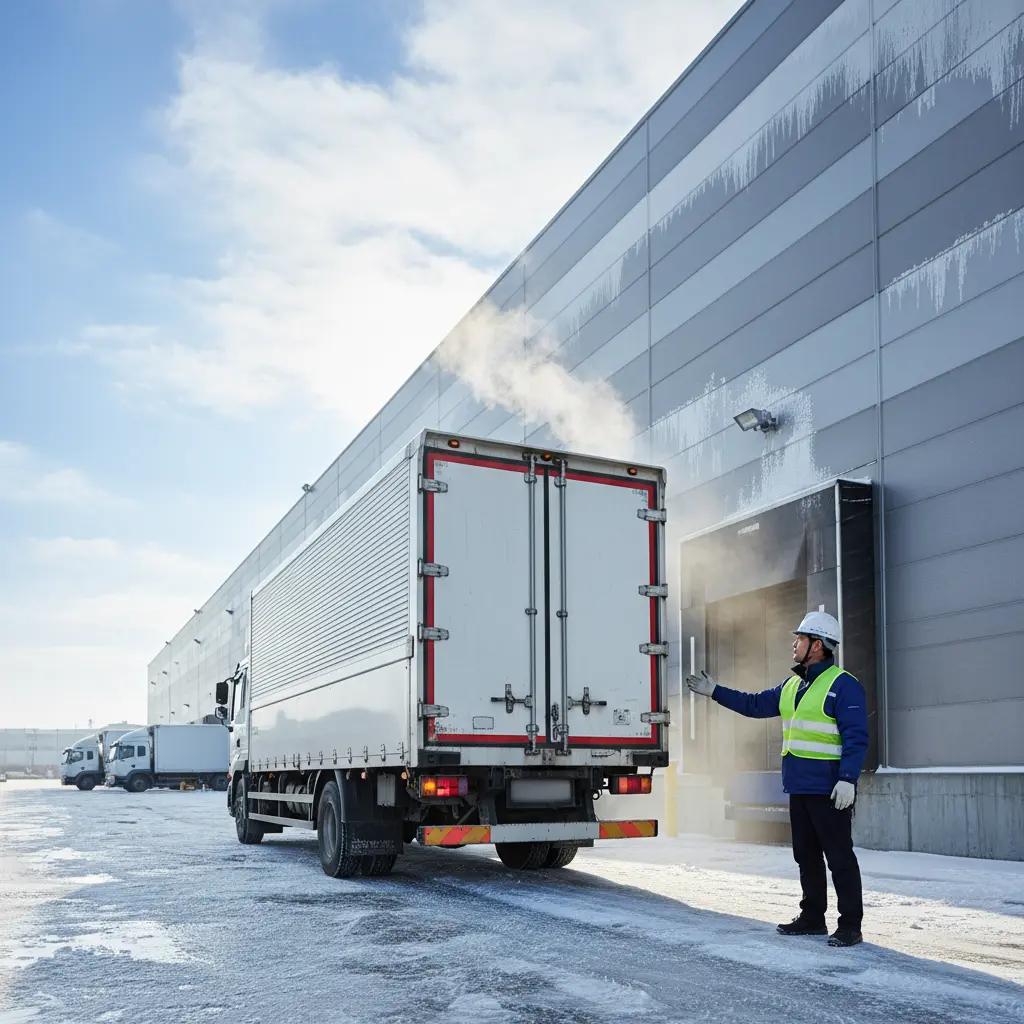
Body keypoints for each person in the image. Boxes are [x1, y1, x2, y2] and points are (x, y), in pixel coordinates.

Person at [686, 611, 868, 947]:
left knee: (840, 858)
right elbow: (754, 704)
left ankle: (850, 926)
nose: (793, 644)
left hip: (829, 791)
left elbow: (857, 737)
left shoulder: (843, 685)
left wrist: (847, 779)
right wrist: (715, 692)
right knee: (806, 856)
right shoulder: (792, 686)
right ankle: (813, 917)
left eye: (799, 639)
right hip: (799, 788)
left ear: (818, 646)